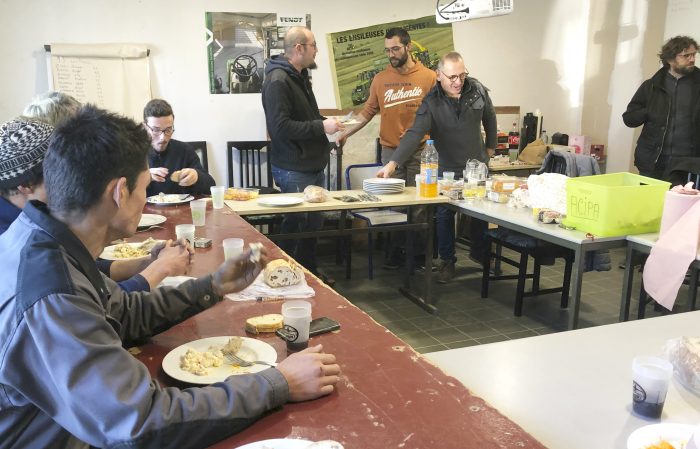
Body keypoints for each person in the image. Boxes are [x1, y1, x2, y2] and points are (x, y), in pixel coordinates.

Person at [0, 107, 340, 448]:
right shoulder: (52, 291)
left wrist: (214, 285)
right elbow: (141, 422)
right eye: (144, 187)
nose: (145, 199)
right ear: (119, 192)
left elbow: (122, 313)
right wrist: (277, 383)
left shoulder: (45, 242)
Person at [17, 91, 191, 292]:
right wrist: (159, 269)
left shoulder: (49, 229)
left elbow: (93, 277)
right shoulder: (46, 266)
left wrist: (148, 263)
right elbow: (103, 305)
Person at [376, 52, 497, 283]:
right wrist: (392, 163)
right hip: (447, 171)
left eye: (462, 75)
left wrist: (491, 148)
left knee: (482, 211)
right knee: (444, 215)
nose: (458, 82)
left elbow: (490, 117)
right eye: (452, 77)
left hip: (476, 167)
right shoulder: (431, 102)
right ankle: (447, 262)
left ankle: (480, 253)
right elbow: (414, 134)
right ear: (439, 75)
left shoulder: (478, 90)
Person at [337, 27, 437, 269]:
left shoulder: (429, 77)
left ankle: (419, 257)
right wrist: (345, 134)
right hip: (390, 150)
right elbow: (367, 112)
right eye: (387, 50)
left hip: (421, 150)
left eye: (395, 49)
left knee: (421, 206)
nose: (391, 54)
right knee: (395, 204)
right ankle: (398, 254)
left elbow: (437, 114)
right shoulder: (381, 79)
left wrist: (420, 133)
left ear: (408, 47)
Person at [261, 26, 344, 276]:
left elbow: (305, 116)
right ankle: (285, 275)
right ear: (299, 48)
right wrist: (321, 126)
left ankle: (309, 274)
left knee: (312, 223)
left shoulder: (299, 75)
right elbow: (280, 127)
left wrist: (328, 123)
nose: (316, 51)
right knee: (296, 225)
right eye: (313, 46)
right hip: (293, 168)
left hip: (311, 165)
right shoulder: (278, 80)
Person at [623, 35, 700, 184]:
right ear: (670, 59)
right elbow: (629, 118)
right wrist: (648, 111)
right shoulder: (651, 86)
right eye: (686, 55)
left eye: (694, 55)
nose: (692, 59)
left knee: (681, 206)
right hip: (652, 162)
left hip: (688, 165)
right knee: (647, 205)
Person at [145, 98, 216, 196]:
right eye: (156, 130)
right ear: (145, 127)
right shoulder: (133, 152)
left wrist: (197, 177)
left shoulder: (184, 150)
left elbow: (211, 185)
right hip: (145, 210)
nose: (163, 137)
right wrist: (143, 177)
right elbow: (120, 191)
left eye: (168, 130)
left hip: (181, 209)